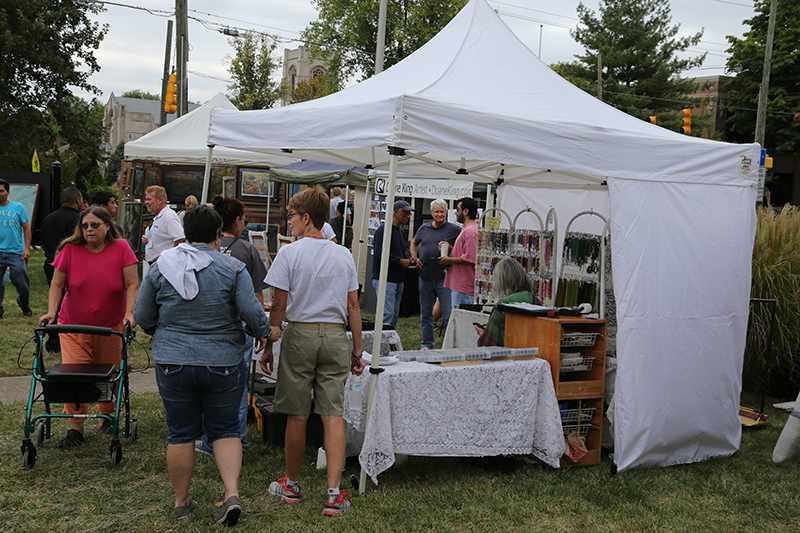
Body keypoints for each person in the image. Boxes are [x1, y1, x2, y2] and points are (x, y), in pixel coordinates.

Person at [134, 205, 269, 526]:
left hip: (172, 361)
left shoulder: (160, 268)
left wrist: (163, 331)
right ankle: (231, 493)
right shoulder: (233, 268)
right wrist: (263, 331)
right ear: (216, 233)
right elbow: (253, 315)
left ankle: (181, 501)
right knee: (225, 429)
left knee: (180, 433)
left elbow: (142, 317)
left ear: (186, 232)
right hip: (223, 362)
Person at [260, 186, 365, 517]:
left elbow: (279, 305)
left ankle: (291, 484)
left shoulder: (291, 253)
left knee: (297, 413)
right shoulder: (344, 253)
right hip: (335, 336)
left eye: (291, 216)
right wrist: (358, 350)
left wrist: (269, 344)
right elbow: (353, 306)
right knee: (332, 413)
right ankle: (333, 495)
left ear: (306, 218)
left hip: (300, 334)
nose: (288, 222)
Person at [38, 206, 139, 447]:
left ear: (107, 226)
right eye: (85, 225)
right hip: (73, 325)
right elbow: (56, 284)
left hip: (111, 326)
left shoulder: (121, 248)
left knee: (110, 374)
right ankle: (76, 427)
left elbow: (133, 284)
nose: (89, 229)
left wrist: (129, 314)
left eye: (94, 225)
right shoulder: (69, 250)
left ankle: (106, 414)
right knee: (76, 375)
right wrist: (51, 312)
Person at [194, 196, 269, 457]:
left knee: (205, 387)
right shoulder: (246, 250)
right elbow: (257, 297)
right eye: (244, 219)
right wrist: (261, 328)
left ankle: (208, 439)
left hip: (203, 327)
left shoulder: (197, 249)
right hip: (237, 330)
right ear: (237, 221)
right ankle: (237, 441)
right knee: (237, 389)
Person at [410, 198, 462, 348]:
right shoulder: (423, 228)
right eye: (437, 211)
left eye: (442, 212)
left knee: (448, 314)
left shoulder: (455, 230)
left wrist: (450, 249)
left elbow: (462, 249)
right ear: (431, 213)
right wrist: (414, 257)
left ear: (446, 213)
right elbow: (414, 242)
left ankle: (448, 346)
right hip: (425, 276)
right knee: (426, 314)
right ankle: (427, 343)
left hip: (444, 277)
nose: (440, 214)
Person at [40, 187, 83, 351]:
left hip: (50, 263)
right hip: (69, 266)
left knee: (55, 302)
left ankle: (53, 340)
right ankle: (67, 338)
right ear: (77, 200)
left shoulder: (49, 218)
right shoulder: (77, 220)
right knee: (69, 303)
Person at [474, 258, 541, 347]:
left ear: (502, 281)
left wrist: (482, 333)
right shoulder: (533, 299)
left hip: (510, 356)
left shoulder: (503, 305)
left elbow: (489, 343)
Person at [371, 200, 414, 329]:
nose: (408, 216)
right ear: (395, 212)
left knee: (394, 314)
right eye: (405, 213)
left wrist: (410, 259)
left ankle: (390, 342)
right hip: (385, 279)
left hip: (397, 278)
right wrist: (401, 261)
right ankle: (381, 343)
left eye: (409, 213)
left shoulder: (400, 232)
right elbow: (380, 255)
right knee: (388, 314)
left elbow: (401, 253)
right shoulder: (383, 231)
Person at [0, 179, 33, 318]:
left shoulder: (18, 207)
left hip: (15, 252)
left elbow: (26, 228)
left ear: (8, 192)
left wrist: (26, 248)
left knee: (22, 282)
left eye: (1, 191)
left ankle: (24, 303)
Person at [441, 196, 479, 308]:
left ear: (465, 211)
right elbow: (465, 252)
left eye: (458, 209)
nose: (456, 213)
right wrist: (450, 249)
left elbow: (469, 257)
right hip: (460, 284)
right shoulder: (467, 229)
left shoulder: (470, 232)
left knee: (460, 321)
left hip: (464, 285)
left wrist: (448, 260)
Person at [141, 185, 185, 265]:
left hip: (163, 265)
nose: (146, 202)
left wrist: (168, 259)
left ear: (160, 200)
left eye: (149, 199)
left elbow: (180, 239)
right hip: (155, 265)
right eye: (146, 199)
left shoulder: (169, 216)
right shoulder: (159, 216)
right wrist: (147, 239)